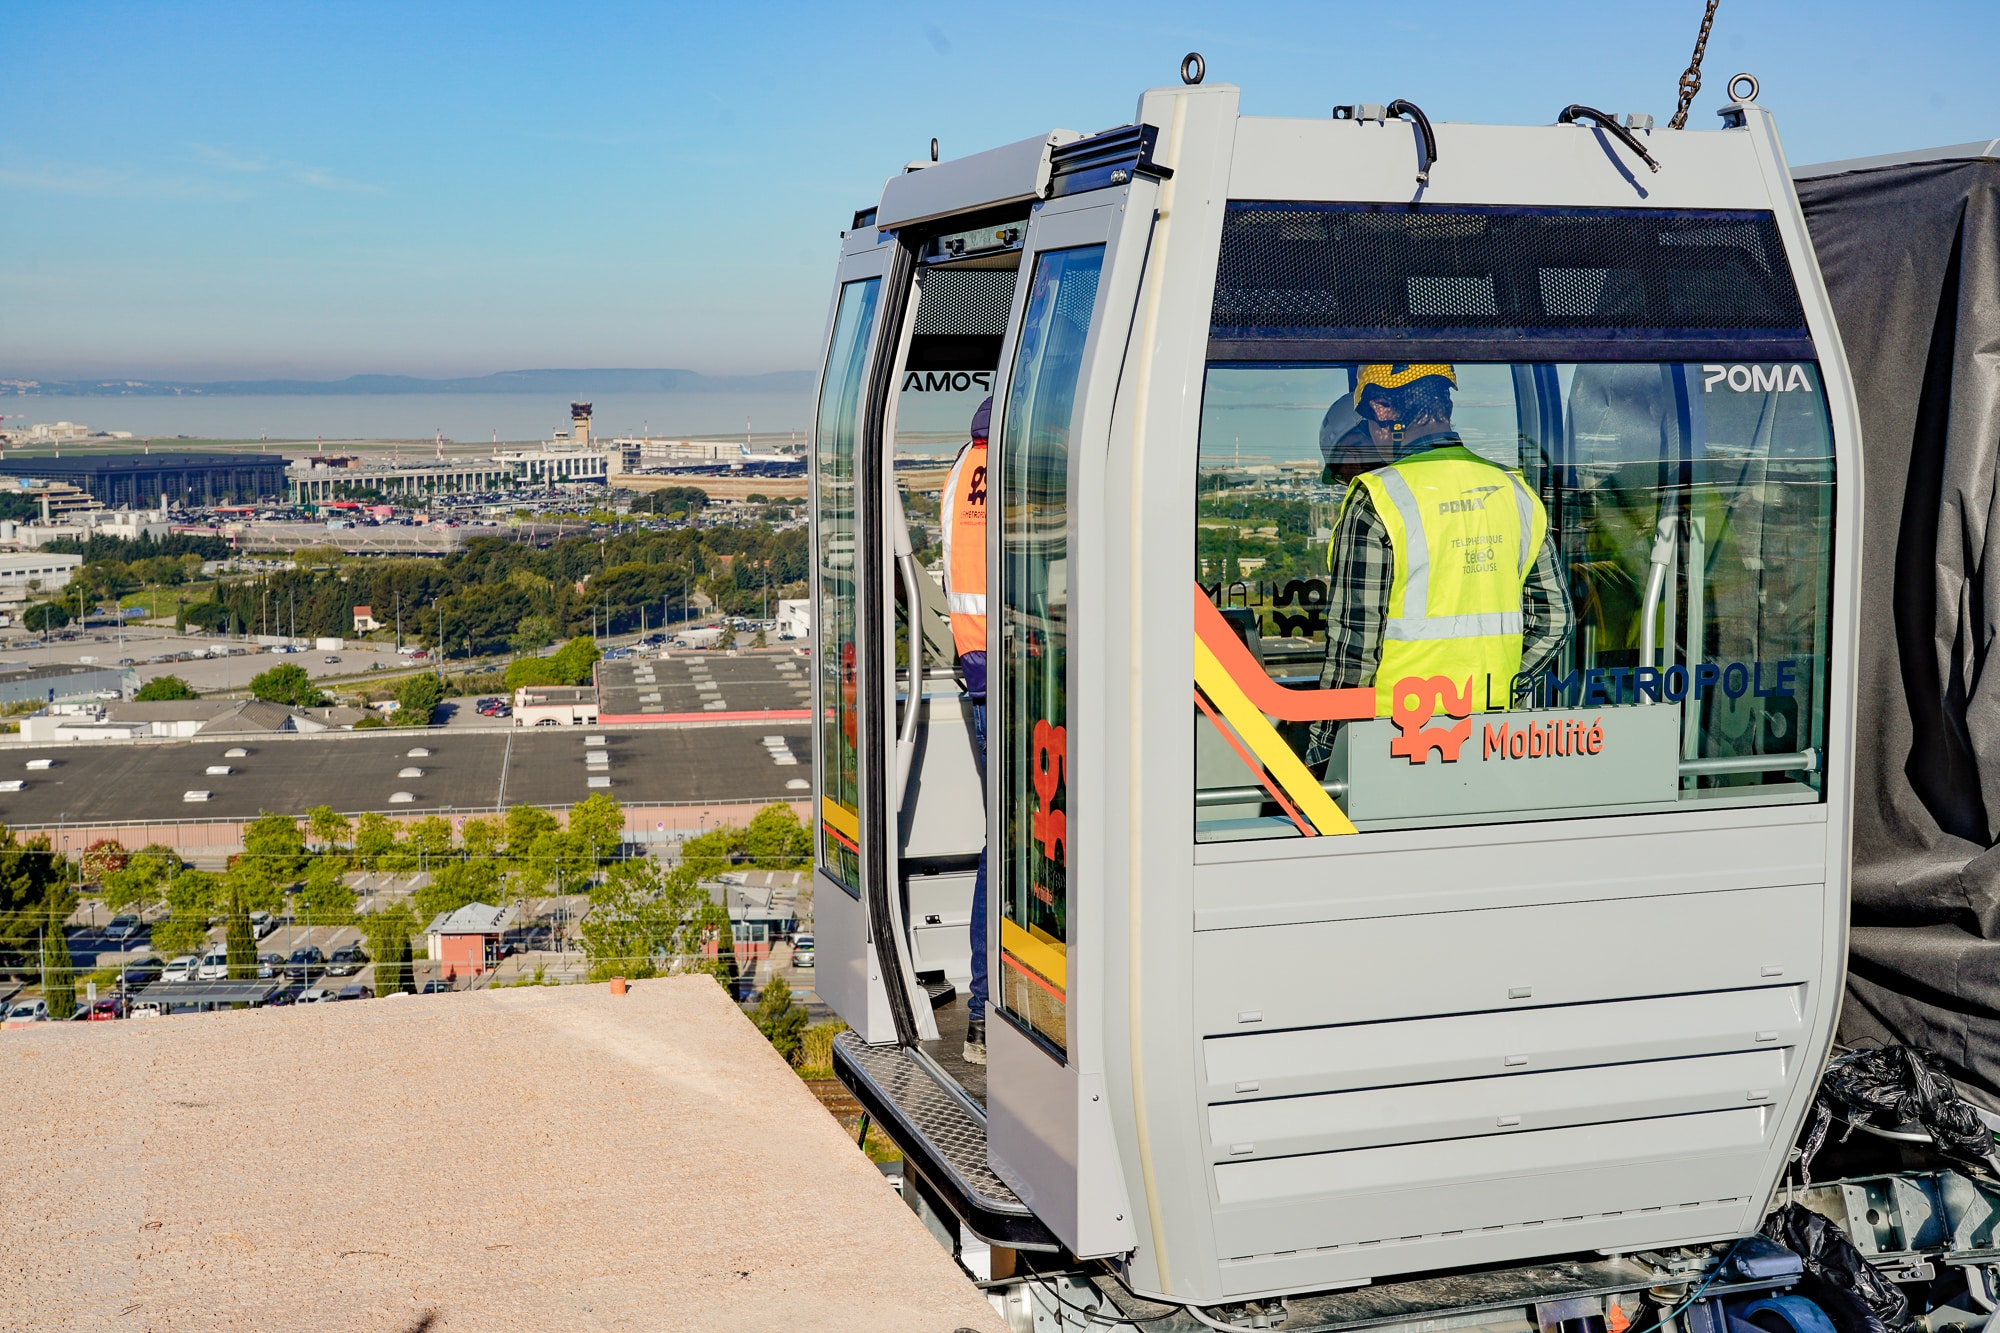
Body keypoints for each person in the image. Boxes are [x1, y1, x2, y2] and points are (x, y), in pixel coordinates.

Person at [1309, 364, 1573, 759]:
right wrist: (1503, 691)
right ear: (1445, 405)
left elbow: (1353, 651)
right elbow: (1554, 621)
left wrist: (1324, 750)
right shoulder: (1514, 492)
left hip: (1396, 743)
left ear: (1381, 411)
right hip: (1492, 740)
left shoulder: (1378, 501)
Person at [941, 396, 991, 1065]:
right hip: (1014, 678)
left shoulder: (963, 469)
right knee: (1017, 844)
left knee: (1004, 839)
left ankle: (983, 1017)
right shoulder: (1015, 473)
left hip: (980, 671)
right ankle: (987, 1013)